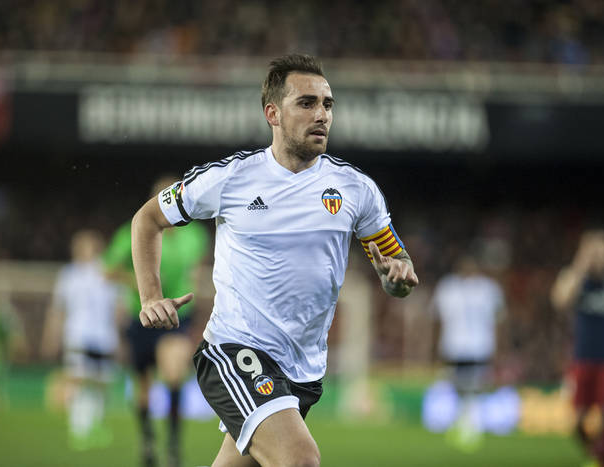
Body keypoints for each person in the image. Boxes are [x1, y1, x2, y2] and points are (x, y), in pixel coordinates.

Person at [131, 54, 419, 467]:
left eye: (327, 104)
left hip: (303, 369)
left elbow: (394, 263)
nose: (321, 114)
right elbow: (148, 219)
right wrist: (150, 295)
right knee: (300, 459)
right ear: (273, 114)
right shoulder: (230, 178)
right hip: (235, 350)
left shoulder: (357, 189)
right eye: (306, 103)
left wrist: (396, 280)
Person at [103, 177, 209, 467]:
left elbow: (197, 269)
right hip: (143, 317)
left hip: (177, 317)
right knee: (144, 386)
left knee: (174, 374)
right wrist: (143, 287)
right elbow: (108, 270)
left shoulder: (194, 236)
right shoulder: (132, 232)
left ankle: (173, 446)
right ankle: (148, 440)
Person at [41, 230, 119, 450]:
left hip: (104, 336)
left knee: (101, 382)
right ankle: (78, 429)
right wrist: (51, 336)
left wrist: (120, 336)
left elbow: (117, 307)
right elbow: (58, 309)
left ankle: (95, 425)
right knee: (77, 378)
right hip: (77, 334)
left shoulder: (107, 273)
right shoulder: (69, 275)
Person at [551, 229, 604, 467]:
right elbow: (560, 300)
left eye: (603, 251)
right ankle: (594, 452)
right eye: (594, 251)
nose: (599, 256)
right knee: (578, 419)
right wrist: (580, 266)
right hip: (582, 359)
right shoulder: (578, 282)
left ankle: (603, 462)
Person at [429, 253, 506, 450]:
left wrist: (498, 348)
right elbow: (437, 320)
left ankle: (469, 425)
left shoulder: (484, 288)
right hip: (458, 346)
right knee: (459, 387)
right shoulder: (451, 287)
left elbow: (498, 321)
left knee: (474, 388)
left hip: (476, 346)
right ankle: (465, 423)